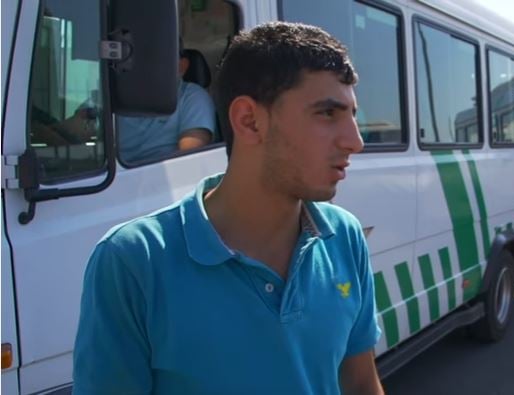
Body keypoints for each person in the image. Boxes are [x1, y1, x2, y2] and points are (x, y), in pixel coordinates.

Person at [73, 22, 383, 394]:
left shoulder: (344, 235)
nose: (356, 141)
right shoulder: (133, 260)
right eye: (327, 114)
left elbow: (362, 383)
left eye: (352, 115)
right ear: (249, 121)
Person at [116, 41, 217, 163]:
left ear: (181, 67)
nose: (145, 65)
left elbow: (190, 160)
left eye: (155, 57)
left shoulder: (193, 97)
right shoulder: (116, 97)